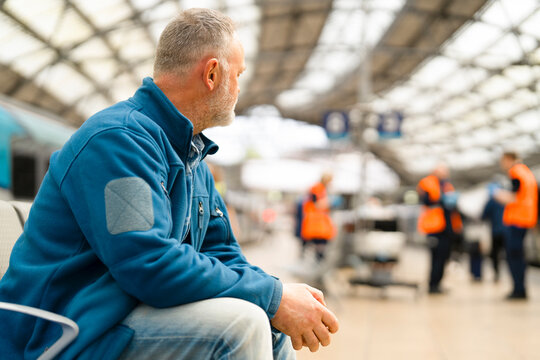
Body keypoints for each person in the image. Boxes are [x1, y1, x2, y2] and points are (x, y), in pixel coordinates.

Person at [0, 8, 338, 360]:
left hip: (118, 316)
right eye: (237, 75)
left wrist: (279, 296)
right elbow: (148, 263)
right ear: (212, 74)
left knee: (271, 325)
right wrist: (272, 298)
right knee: (245, 324)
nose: (238, 87)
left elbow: (222, 253)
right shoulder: (119, 142)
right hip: (63, 330)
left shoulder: (193, 159)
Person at [493, 151, 538, 300]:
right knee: (518, 255)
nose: (502, 165)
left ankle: (518, 290)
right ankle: (520, 289)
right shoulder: (527, 172)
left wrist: (498, 194)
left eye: (502, 161)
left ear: (508, 159)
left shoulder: (516, 171)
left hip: (516, 220)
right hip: (525, 219)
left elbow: (514, 196)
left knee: (513, 255)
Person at [417, 163, 463, 294]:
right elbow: (426, 201)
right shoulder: (427, 183)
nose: (445, 174)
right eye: (443, 171)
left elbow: (454, 208)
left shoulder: (447, 186)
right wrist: (441, 200)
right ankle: (432, 285)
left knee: (444, 257)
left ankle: (438, 283)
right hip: (434, 228)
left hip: (447, 228)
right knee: (435, 257)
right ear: (435, 171)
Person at [300, 173, 336, 261]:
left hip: (317, 221)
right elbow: (318, 204)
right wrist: (329, 202)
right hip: (316, 222)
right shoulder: (318, 188)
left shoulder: (319, 188)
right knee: (319, 243)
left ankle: (311, 259)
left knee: (315, 243)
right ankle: (314, 261)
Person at [481, 183, 506, 282]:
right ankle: (513, 277)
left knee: (495, 254)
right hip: (507, 231)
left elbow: (483, 215)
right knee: (509, 254)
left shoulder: (491, 201)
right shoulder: (506, 200)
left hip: (495, 232)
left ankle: (497, 273)